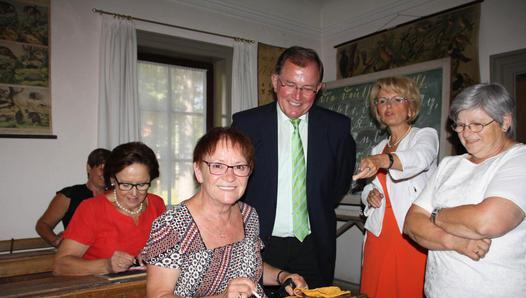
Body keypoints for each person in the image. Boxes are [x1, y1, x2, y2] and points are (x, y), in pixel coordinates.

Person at [232, 46, 356, 288]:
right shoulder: (246, 124)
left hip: (314, 244)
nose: (297, 96)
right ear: (275, 81)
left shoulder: (337, 128)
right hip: (259, 244)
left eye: (308, 87)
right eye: (290, 84)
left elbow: (339, 182)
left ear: (319, 88)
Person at [141, 127, 307, 297]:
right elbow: (159, 295)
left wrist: (282, 276)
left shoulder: (248, 215)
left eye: (240, 167)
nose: (230, 177)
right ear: (198, 171)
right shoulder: (171, 226)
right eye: (218, 166)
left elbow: (250, 267)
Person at [404, 83, 526, 297]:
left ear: (505, 122)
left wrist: (435, 214)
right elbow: (411, 224)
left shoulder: (522, 158)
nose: (466, 133)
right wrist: (455, 241)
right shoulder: (449, 165)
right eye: (460, 125)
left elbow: (488, 222)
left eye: (476, 124)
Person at [352, 77, 439, 298]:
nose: (388, 106)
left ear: (411, 107)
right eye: (382, 100)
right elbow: (368, 189)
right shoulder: (378, 147)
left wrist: (382, 161)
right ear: (378, 111)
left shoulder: (425, 136)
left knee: (408, 289)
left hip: (410, 232)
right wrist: (368, 195)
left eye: (397, 99)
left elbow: (419, 159)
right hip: (378, 233)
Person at [53, 142, 166, 276]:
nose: (134, 193)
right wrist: (106, 265)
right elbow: (60, 266)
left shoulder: (156, 204)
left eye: (142, 184)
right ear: (113, 179)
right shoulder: (92, 209)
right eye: (125, 184)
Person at [35, 148, 111, 247]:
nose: (105, 173)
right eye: (101, 168)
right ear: (89, 168)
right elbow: (42, 225)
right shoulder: (70, 195)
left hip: (110, 255)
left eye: (109, 170)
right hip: (78, 257)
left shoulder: (116, 195)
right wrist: (55, 241)